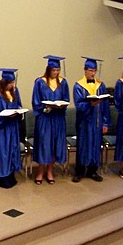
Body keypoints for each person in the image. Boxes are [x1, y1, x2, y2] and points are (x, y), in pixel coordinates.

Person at [31, 55, 70, 185]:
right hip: (45, 118)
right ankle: (40, 172)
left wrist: (60, 105)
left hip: (57, 118)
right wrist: (46, 107)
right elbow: (36, 102)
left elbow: (66, 99)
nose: (56, 72)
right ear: (48, 69)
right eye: (54, 70)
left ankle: (50, 171)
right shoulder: (40, 82)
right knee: (44, 144)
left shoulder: (63, 82)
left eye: (58, 70)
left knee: (54, 144)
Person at [72, 57, 110, 183]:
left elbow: (105, 106)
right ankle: (79, 171)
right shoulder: (78, 86)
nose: (92, 73)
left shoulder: (101, 85)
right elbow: (79, 105)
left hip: (97, 122)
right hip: (84, 121)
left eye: (94, 71)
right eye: (90, 70)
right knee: (83, 145)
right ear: (85, 70)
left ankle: (93, 171)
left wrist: (105, 122)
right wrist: (91, 104)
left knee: (95, 145)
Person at [0, 68, 24, 188]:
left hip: (12, 126)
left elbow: (19, 104)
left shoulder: (15, 91)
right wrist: (6, 115)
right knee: (3, 152)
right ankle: (0, 177)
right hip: (2, 129)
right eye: (10, 83)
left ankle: (10, 175)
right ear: (4, 82)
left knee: (11, 150)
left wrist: (18, 111)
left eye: (13, 82)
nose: (12, 85)